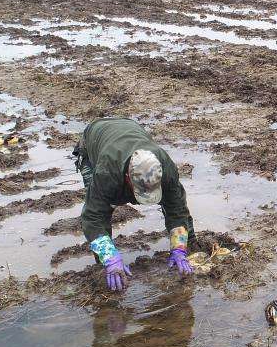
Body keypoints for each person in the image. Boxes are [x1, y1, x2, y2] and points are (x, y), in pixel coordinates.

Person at [73, 117, 195, 291]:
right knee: (99, 207)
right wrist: (109, 258)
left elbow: (177, 209)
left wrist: (180, 247)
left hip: (129, 127)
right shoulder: (107, 172)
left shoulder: (165, 168)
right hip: (94, 137)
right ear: (128, 178)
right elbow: (93, 217)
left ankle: (187, 250)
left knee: (177, 206)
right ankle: (107, 269)